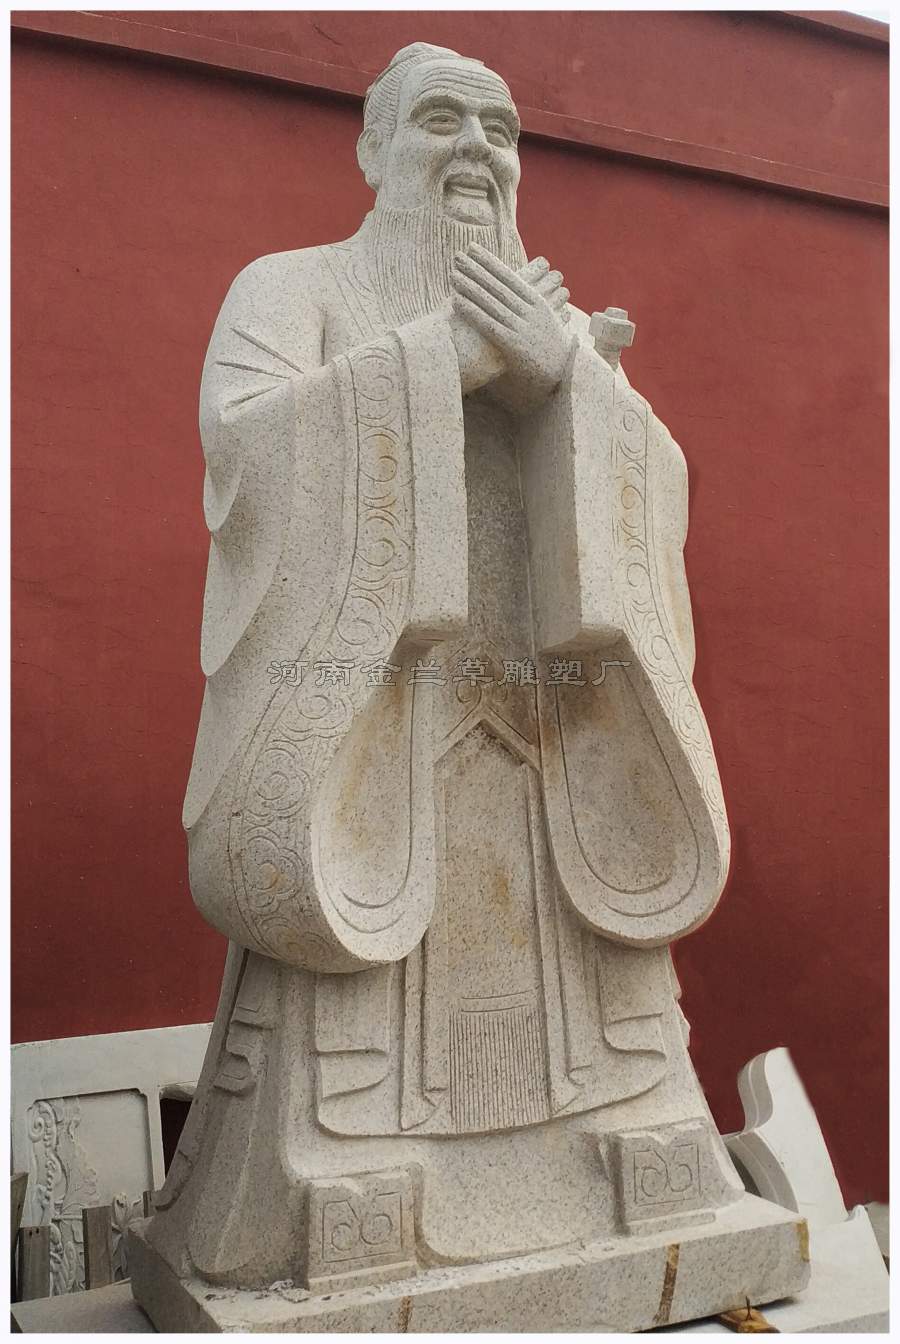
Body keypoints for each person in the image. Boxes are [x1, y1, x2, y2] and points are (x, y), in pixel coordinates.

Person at [148, 42, 737, 1286]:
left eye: (502, 129)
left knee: (572, 938)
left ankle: (622, 1133)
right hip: (374, 708)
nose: (478, 148)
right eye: (441, 120)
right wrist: (435, 362)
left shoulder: (554, 323)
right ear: (374, 148)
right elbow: (245, 447)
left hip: (546, 716)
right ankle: (352, 1164)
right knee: (368, 926)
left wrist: (567, 378)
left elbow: (659, 485)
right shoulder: (289, 288)